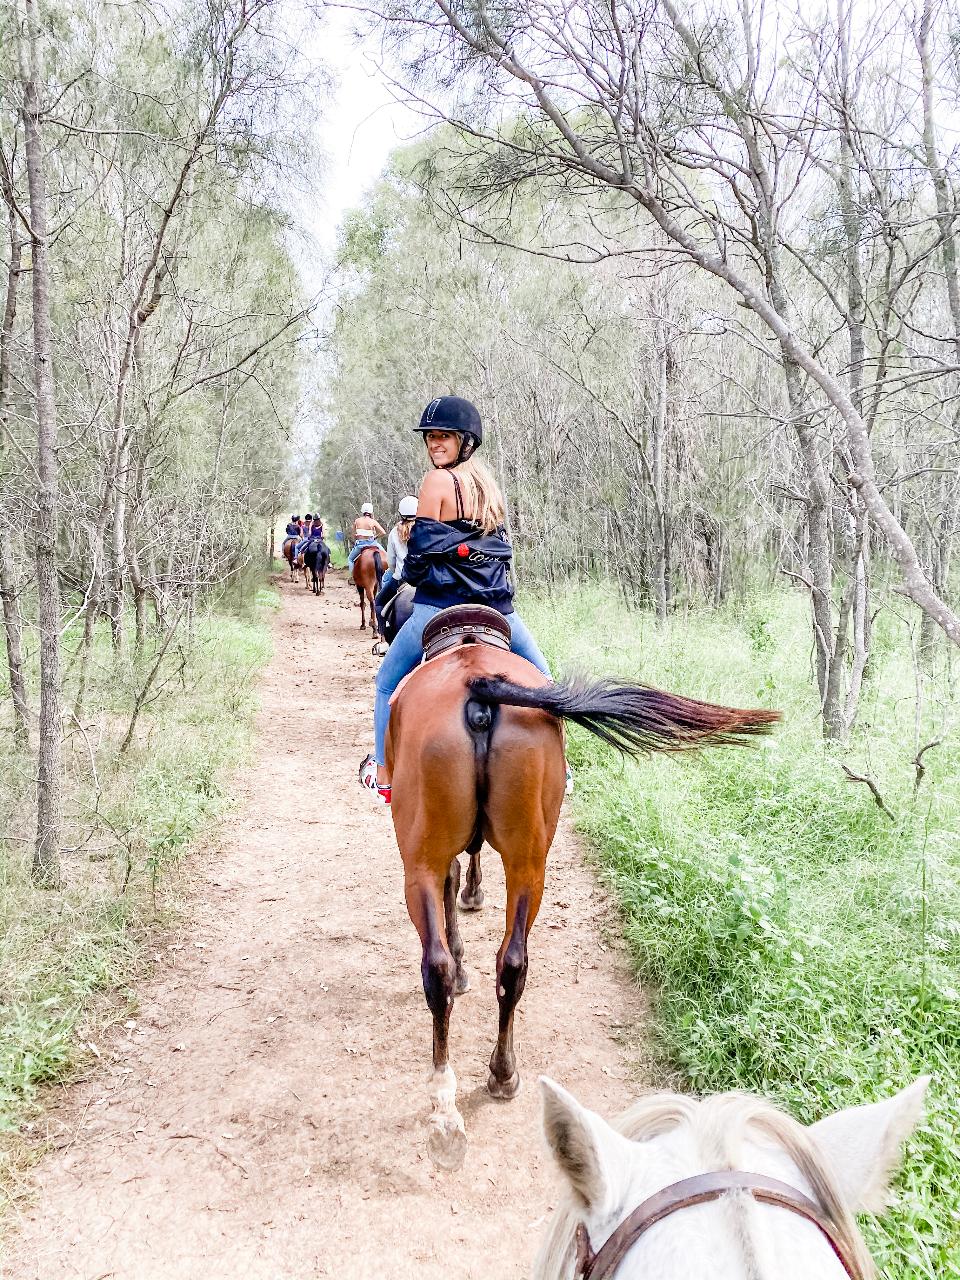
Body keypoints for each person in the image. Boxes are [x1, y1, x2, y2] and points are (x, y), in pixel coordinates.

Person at [359, 395, 555, 805]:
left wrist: (410, 576)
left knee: (385, 683)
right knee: (544, 678)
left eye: (443, 436)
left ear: (465, 441)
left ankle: (383, 774)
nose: (434, 444)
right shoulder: (489, 486)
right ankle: (562, 772)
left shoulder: (435, 483)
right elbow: (500, 551)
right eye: (430, 437)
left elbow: (422, 553)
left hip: (439, 606)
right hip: (498, 610)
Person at [374, 495, 418, 636]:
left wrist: (395, 571)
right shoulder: (428, 529)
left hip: (402, 579)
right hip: (426, 579)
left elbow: (391, 561)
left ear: (401, 513)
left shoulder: (394, 532)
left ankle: (383, 636)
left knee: (379, 602)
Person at [347, 502, 387, 569]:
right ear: (371, 512)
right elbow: (383, 532)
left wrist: (357, 536)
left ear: (362, 511)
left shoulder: (357, 521)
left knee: (350, 559)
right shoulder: (373, 521)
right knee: (387, 556)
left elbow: (353, 534)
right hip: (373, 544)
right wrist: (375, 537)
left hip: (361, 545)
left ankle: (352, 577)